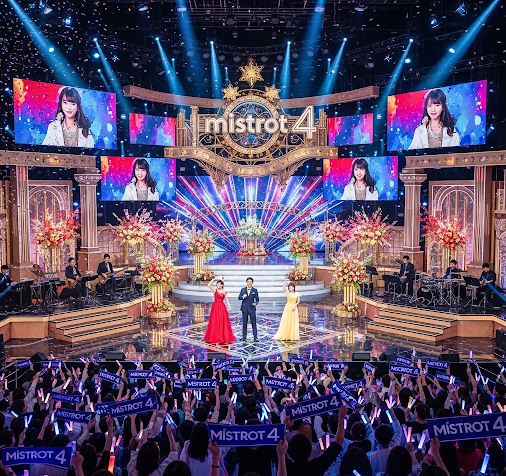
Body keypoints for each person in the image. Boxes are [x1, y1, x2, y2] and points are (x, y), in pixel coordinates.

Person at [204, 277, 235, 344]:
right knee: (215, 321)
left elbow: (226, 300)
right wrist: (213, 279)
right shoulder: (214, 290)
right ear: (216, 285)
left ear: (222, 285)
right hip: (215, 307)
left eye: (220, 284)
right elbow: (209, 285)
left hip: (222, 307)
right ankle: (214, 336)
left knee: (222, 321)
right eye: (218, 284)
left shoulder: (224, 292)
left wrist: (229, 307)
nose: (219, 285)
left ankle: (222, 336)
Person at [238, 277, 259, 342]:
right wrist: (242, 297)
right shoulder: (243, 290)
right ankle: (244, 337)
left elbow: (257, 299)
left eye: (250, 282)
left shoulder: (255, 290)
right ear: (246, 282)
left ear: (252, 283)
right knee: (244, 323)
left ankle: (255, 337)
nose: (249, 283)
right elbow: (239, 297)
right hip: (244, 309)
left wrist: (255, 303)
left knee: (253, 323)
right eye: (248, 282)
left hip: (252, 309)